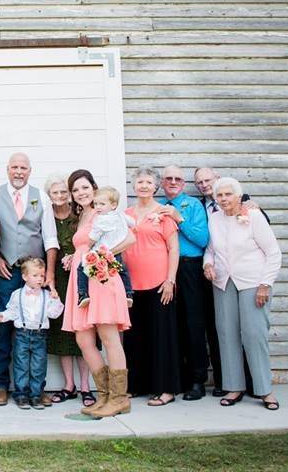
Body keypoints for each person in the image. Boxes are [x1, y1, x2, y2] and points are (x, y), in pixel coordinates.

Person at [204, 177, 282, 411]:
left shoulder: (254, 216)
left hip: (253, 283)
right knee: (226, 334)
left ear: (239, 196)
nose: (224, 199)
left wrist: (265, 284)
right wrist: (207, 264)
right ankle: (233, 387)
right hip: (222, 282)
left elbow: (273, 253)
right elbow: (210, 250)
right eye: (220, 195)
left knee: (254, 334)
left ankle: (264, 389)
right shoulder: (214, 219)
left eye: (228, 194)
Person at [0, 153, 59, 407]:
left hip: (34, 275)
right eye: (14, 167)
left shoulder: (41, 197)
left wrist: (49, 275)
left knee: (36, 329)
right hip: (5, 271)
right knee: (3, 327)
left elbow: (50, 238)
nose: (19, 172)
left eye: (23, 168)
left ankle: (33, 389)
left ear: (30, 171)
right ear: (7, 169)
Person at [62, 169, 134, 418]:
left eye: (84, 187)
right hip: (81, 281)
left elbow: (130, 238)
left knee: (109, 336)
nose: (80, 193)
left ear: (93, 188)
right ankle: (104, 394)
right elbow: (85, 243)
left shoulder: (105, 212)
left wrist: (102, 255)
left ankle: (119, 397)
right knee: (83, 339)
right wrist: (76, 254)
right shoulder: (82, 216)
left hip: (101, 278)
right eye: (75, 189)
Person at [123, 166, 181, 407]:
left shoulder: (164, 212)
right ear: (134, 186)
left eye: (148, 182)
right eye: (140, 182)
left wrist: (170, 280)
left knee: (162, 338)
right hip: (132, 285)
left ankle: (165, 389)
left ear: (155, 186)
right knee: (135, 337)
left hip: (159, 283)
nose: (144, 186)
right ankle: (137, 385)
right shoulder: (126, 213)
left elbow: (174, 248)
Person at [158, 165, 212, 401]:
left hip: (190, 267)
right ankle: (174, 378)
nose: (172, 181)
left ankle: (197, 380)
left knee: (193, 324)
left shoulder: (193, 205)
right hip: (164, 270)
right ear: (161, 182)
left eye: (177, 178)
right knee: (172, 324)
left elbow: (202, 239)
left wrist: (178, 219)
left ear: (183, 183)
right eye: (168, 178)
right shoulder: (157, 206)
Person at [44, 174, 94, 407]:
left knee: (82, 331)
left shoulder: (79, 216)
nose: (61, 196)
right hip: (59, 280)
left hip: (82, 277)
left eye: (64, 192)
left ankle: (86, 385)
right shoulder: (47, 218)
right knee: (62, 331)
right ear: (49, 196)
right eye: (56, 192)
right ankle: (68, 385)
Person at [0, 258, 65, 410]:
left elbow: (54, 314)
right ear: (25, 277)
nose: (40, 279)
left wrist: (56, 299)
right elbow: (13, 311)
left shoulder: (47, 296)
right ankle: (21, 395)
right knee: (21, 366)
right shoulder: (17, 294)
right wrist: (4, 316)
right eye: (36, 275)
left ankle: (36, 394)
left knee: (38, 367)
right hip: (22, 334)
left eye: (42, 275)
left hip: (40, 335)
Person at [77, 187, 134, 307]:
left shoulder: (101, 220)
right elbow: (132, 223)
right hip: (117, 252)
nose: (98, 207)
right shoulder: (120, 215)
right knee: (123, 270)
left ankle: (83, 294)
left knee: (81, 268)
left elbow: (93, 237)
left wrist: (88, 246)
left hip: (102, 252)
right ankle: (128, 293)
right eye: (96, 203)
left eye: (102, 204)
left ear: (113, 205)